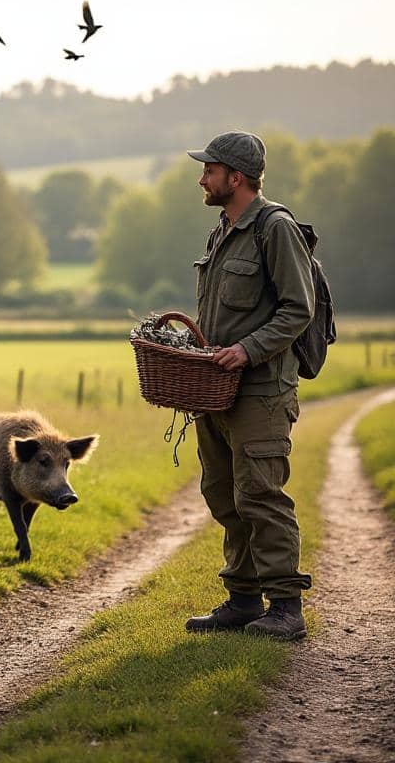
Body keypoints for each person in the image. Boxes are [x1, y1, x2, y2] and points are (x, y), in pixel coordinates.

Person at [184, 131, 316, 640]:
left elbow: (297, 309)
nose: (202, 179)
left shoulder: (275, 228)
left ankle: (286, 608)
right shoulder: (224, 229)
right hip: (214, 390)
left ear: (234, 177)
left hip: (261, 392)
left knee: (260, 495)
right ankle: (242, 600)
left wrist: (247, 350)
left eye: (209, 171)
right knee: (222, 493)